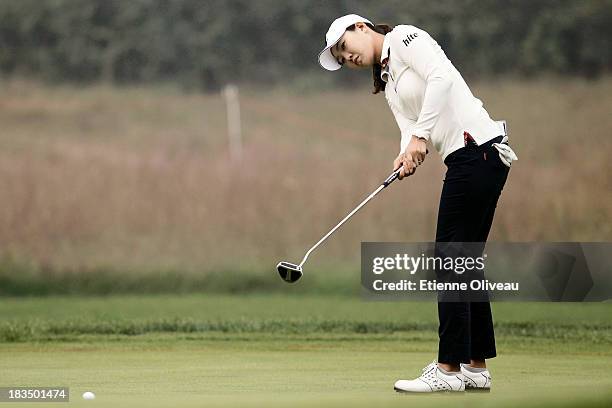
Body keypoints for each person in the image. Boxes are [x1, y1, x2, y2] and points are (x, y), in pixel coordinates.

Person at [317, 14, 517, 393]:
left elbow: (441, 76)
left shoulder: (406, 38)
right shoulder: (388, 82)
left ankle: (448, 369)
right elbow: (409, 128)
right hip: (472, 160)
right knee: (464, 262)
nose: (347, 58)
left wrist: (421, 137)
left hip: (477, 152)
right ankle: (475, 366)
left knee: (449, 260)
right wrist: (405, 154)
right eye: (341, 59)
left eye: (345, 47)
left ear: (361, 27)